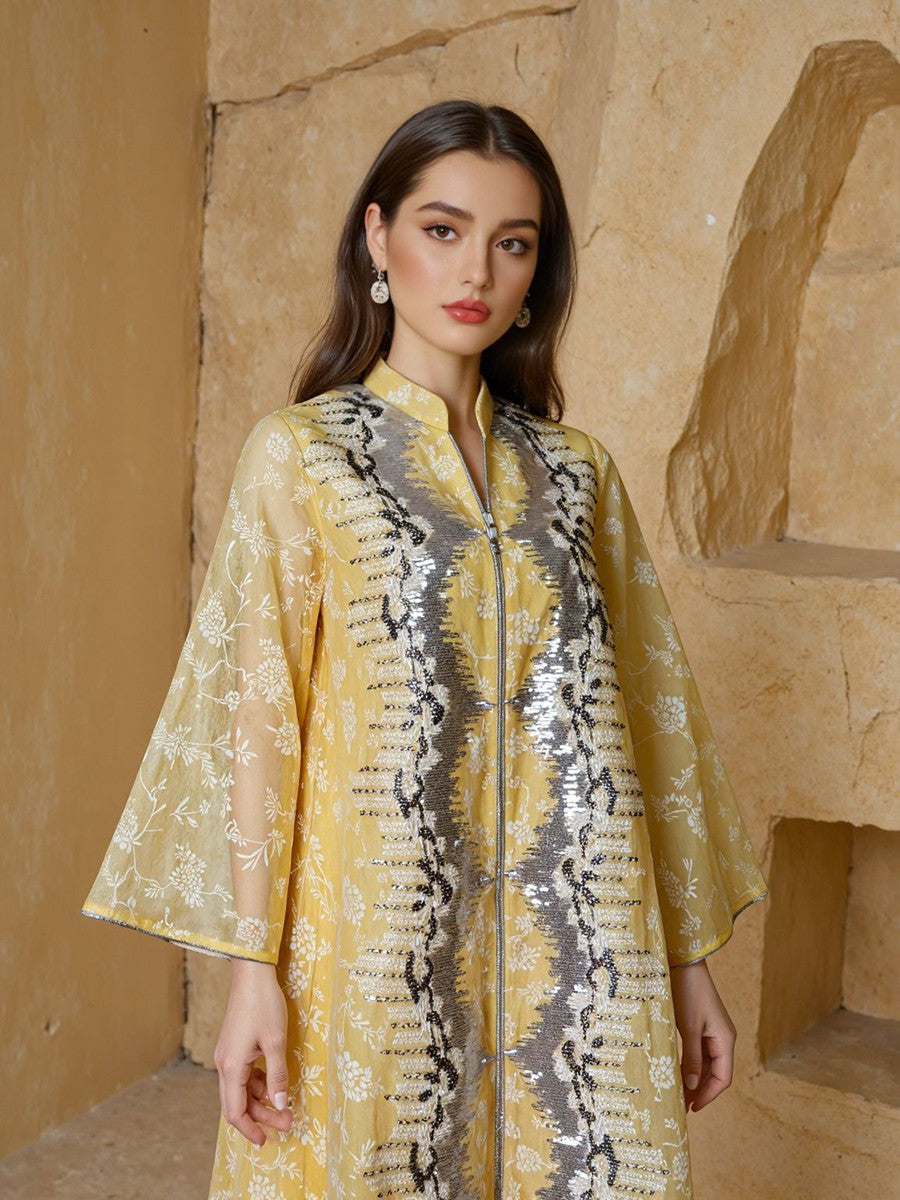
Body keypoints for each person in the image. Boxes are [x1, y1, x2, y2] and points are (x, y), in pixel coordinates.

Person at [83, 99, 767, 1200]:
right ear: (378, 237)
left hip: (581, 960)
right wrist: (250, 974)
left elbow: (650, 730)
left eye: (513, 243)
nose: (476, 271)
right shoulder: (304, 459)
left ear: (538, 270)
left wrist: (684, 965)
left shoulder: (578, 476)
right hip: (376, 954)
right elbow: (259, 726)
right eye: (443, 230)